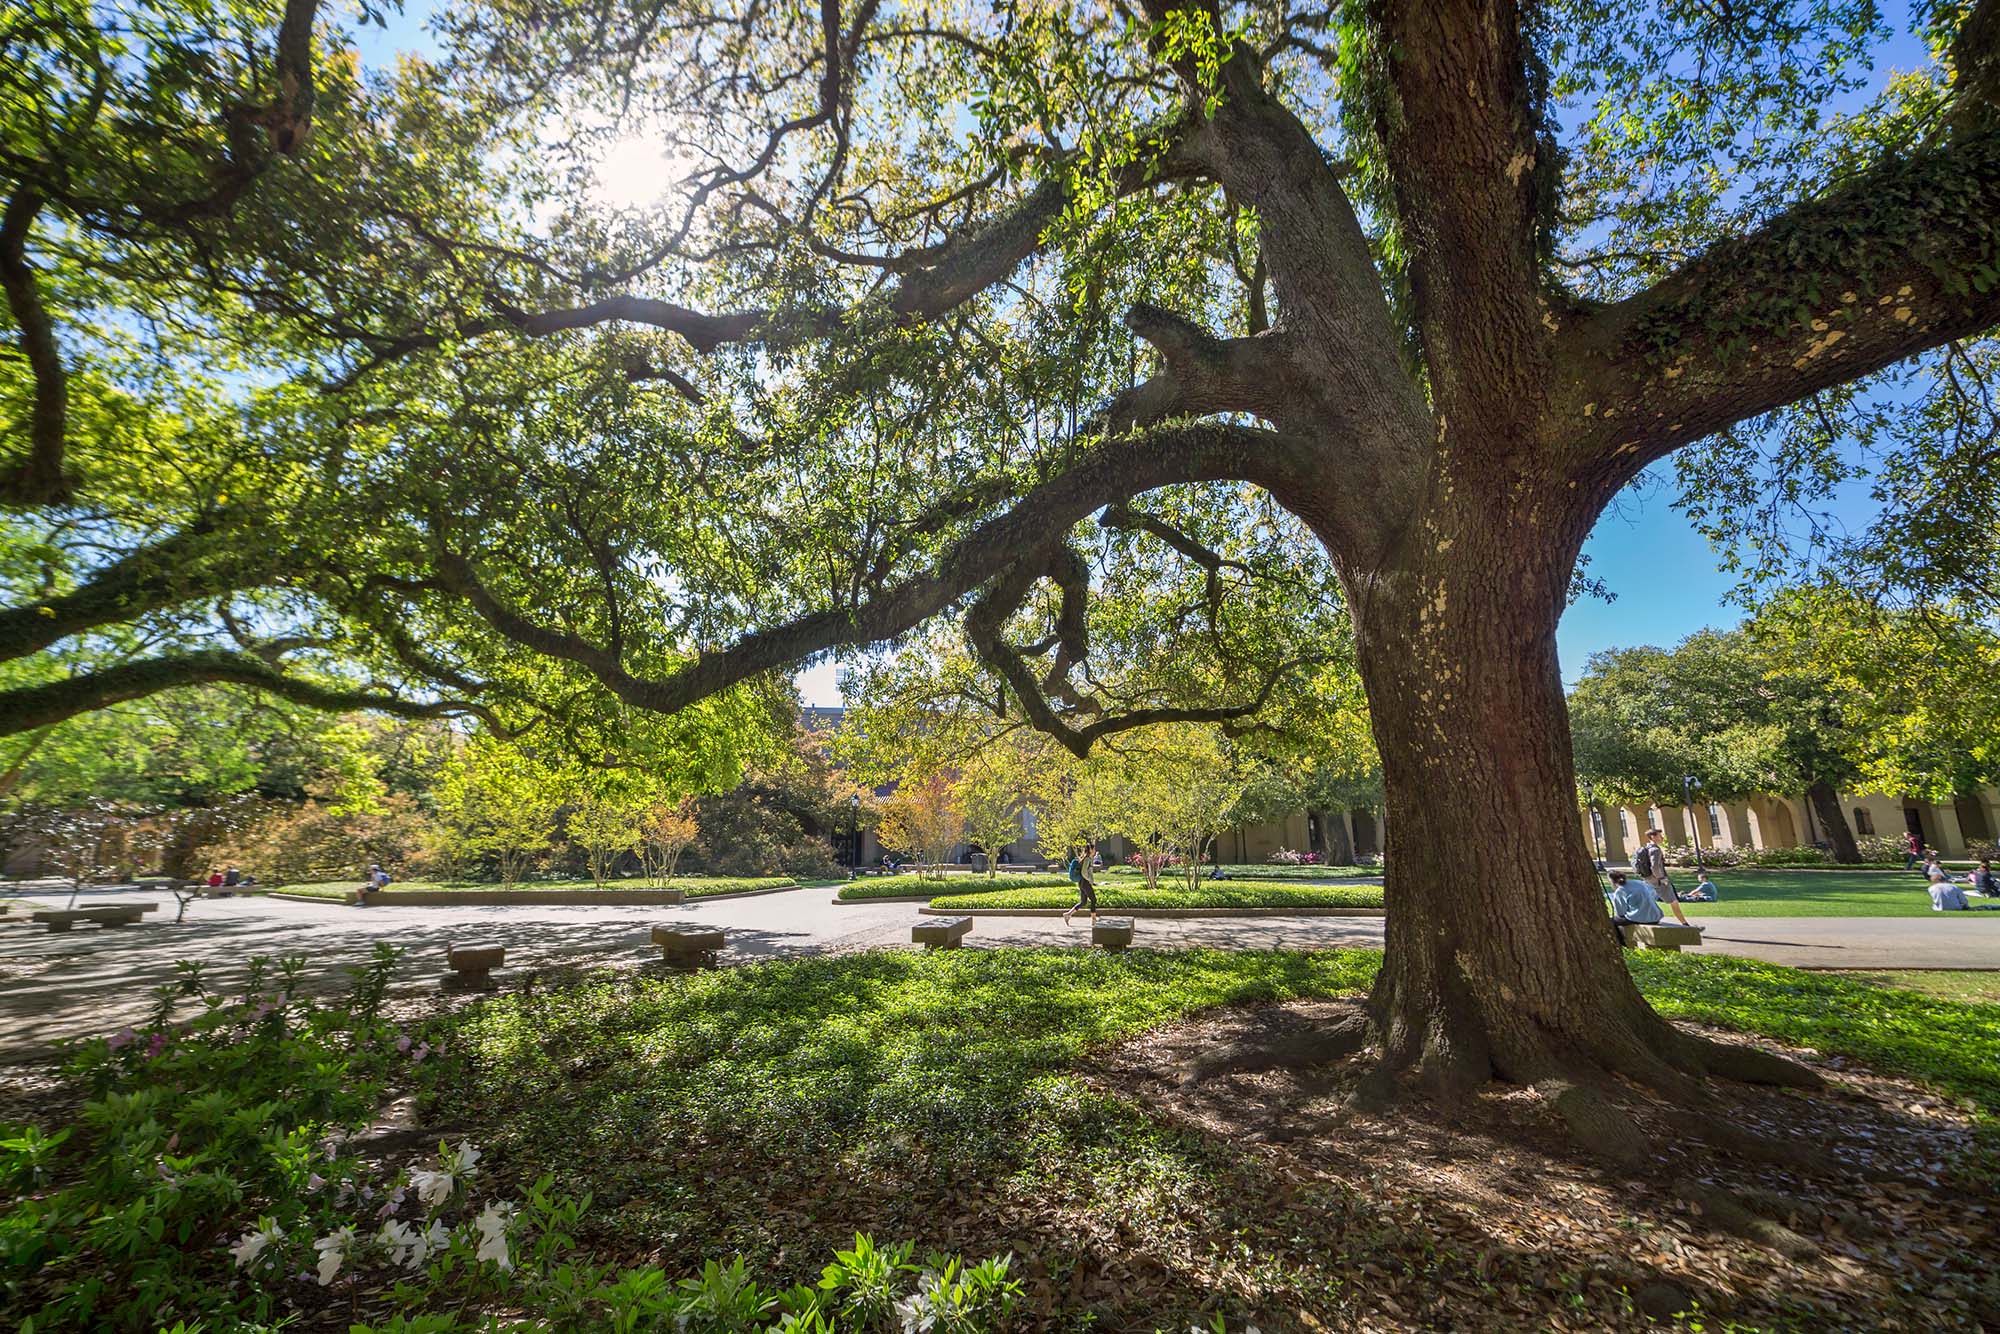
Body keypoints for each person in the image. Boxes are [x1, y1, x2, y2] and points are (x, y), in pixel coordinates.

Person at [1631, 829, 1695, 927]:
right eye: (1660, 836)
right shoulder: (1655, 850)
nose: (1662, 838)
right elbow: (1655, 867)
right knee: (1674, 902)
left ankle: (1644, 918)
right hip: (1658, 881)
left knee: (1650, 900)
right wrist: (1662, 878)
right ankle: (1685, 924)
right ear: (1653, 837)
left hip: (1648, 879)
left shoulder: (1647, 848)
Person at [1607, 870, 1663, 944]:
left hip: (1639, 918)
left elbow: (1620, 913)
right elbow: (1653, 894)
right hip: (1655, 917)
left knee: (1611, 921)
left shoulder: (1620, 891)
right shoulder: (1638, 882)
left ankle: (1622, 943)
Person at [1062, 841, 1099, 925]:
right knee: (1093, 899)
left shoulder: (1087, 858)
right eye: (1094, 849)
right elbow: (1084, 872)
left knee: (1083, 902)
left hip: (1082, 883)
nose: (1095, 851)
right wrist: (1089, 880)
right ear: (1090, 850)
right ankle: (1094, 920)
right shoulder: (1087, 859)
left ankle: (1068, 914)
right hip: (1085, 882)